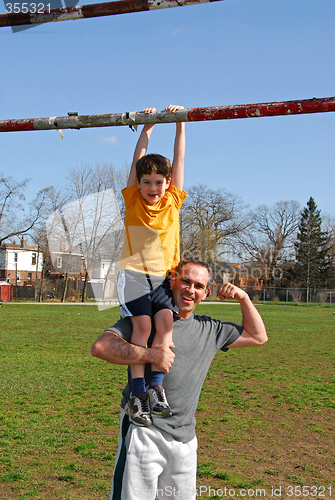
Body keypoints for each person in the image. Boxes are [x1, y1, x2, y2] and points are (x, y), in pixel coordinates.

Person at [91, 258, 268, 500]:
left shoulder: (210, 330)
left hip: (185, 440)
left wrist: (244, 298)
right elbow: (101, 347)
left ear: (205, 293)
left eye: (198, 286)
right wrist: (152, 354)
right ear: (172, 282)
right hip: (144, 432)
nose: (190, 290)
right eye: (186, 281)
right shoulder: (146, 320)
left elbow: (258, 336)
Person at [116, 105, 187, 428]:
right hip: (133, 275)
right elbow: (136, 162)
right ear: (139, 183)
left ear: (167, 182)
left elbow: (180, 161)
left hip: (164, 278)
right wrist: (147, 128)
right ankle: (138, 392)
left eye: (159, 182)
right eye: (147, 182)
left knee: (165, 324)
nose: (153, 189)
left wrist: (179, 124)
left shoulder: (172, 199)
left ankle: (157, 386)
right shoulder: (132, 198)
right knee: (142, 328)